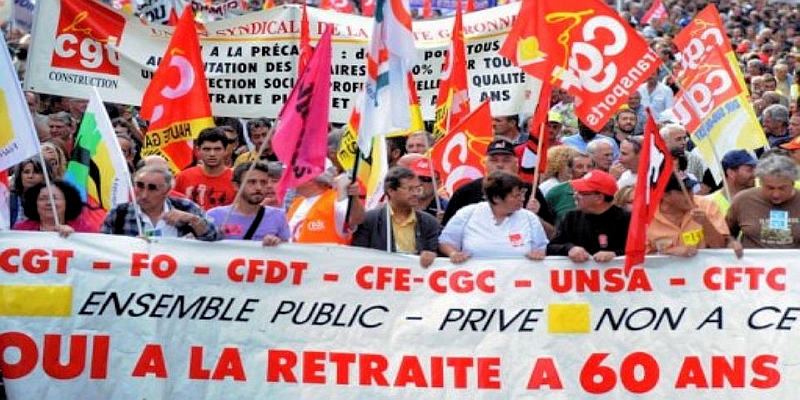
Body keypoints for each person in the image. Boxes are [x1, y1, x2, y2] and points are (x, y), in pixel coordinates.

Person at [442, 138, 555, 229]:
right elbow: (446, 231)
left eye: (506, 160)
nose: (500, 165)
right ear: (485, 164)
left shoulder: (531, 191)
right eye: (494, 160)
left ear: (516, 164)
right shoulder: (466, 191)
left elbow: (552, 234)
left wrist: (535, 217)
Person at [439, 171, 548, 263]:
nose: (523, 199)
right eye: (516, 196)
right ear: (496, 198)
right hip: (476, 283)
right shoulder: (467, 213)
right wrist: (453, 253)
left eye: (522, 194)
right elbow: (445, 242)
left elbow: (541, 248)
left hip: (517, 284)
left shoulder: (530, 218)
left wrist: (539, 254)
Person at [101, 165, 221, 241]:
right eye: (140, 186)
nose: (144, 194)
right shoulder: (119, 214)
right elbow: (103, 249)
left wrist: (193, 220)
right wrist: (131, 247)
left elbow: (215, 237)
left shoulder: (186, 207)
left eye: (152, 188)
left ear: (167, 190)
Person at [352, 166, 441, 268]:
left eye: (418, 189)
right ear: (391, 191)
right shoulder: (370, 220)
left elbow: (434, 252)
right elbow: (358, 255)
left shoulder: (429, 222)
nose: (416, 194)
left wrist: (431, 255)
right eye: (410, 189)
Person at [547, 170, 630, 263]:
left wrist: (615, 254)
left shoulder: (626, 220)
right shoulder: (571, 217)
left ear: (599, 198)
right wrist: (570, 248)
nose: (575, 196)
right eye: (575, 192)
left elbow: (639, 251)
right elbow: (551, 247)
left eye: (581, 193)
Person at [647, 175, 739, 257]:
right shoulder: (645, 217)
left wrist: (706, 223)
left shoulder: (707, 206)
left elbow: (720, 246)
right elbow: (639, 257)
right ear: (665, 196)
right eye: (683, 191)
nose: (690, 195)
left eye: (690, 189)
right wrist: (669, 252)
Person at [207, 162, 289, 246]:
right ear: (236, 186)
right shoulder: (214, 216)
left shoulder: (278, 216)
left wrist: (278, 242)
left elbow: (288, 251)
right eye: (252, 182)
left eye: (263, 182)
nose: (258, 188)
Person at [727, 154, 800, 248]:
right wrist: (731, 242)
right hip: (753, 262)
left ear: (793, 183)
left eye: (782, 188)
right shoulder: (743, 200)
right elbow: (725, 232)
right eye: (770, 188)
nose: (776, 194)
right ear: (760, 182)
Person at [286, 167, 365, 244]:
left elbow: (355, 219)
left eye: (298, 174)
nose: (293, 178)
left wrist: (354, 197)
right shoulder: (297, 203)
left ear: (311, 179)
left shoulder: (337, 201)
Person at [174, 127, 236, 210]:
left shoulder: (236, 180)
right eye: (207, 149)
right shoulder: (183, 177)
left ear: (225, 150)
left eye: (217, 149)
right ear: (198, 150)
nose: (212, 154)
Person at [12, 180, 97, 236]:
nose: (49, 203)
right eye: (42, 199)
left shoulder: (86, 229)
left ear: (67, 202)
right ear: (34, 204)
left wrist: (74, 237)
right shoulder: (21, 230)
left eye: (55, 198)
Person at [705, 150, 757, 215]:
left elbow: (773, 216)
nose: (755, 174)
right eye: (749, 170)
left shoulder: (764, 192)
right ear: (731, 173)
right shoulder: (709, 204)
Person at [8, 158, 52, 227]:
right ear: (20, 176)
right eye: (26, 172)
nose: (30, 176)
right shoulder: (8, 199)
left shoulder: (53, 200)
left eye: (36, 172)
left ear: (45, 176)